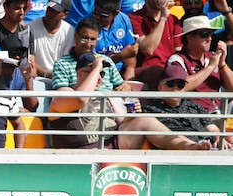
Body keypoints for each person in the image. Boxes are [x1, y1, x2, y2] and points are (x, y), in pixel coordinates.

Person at [50, 52, 212, 150]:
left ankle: (190, 146)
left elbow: (124, 122)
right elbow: (79, 99)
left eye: (102, 74)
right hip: (77, 155)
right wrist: (96, 68)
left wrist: (134, 114)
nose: (99, 77)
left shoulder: (107, 97)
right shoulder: (65, 92)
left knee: (145, 120)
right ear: (79, 73)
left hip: (113, 149)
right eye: (93, 72)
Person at [143, 63, 231, 149]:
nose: (175, 88)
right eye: (170, 83)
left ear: (185, 88)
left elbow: (212, 128)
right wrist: (197, 146)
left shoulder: (194, 106)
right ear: (160, 87)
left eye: (180, 84)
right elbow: (165, 136)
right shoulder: (151, 110)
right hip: (180, 152)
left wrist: (219, 139)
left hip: (210, 148)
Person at [167, 15, 233, 115]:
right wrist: (210, 67)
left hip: (217, 114)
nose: (209, 38)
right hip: (191, 116)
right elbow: (181, 87)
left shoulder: (213, 58)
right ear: (189, 37)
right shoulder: (177, 59)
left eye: (211, 34)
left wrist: (222, 64)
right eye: (204, 34)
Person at [128, 0, 181, 89]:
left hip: (169, 68)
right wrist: (163, 19)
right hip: (146, 69)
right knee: (157, 71)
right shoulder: (134, 18)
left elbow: (179, 50)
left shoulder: (173, 20)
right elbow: (148, 49)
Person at [89, 0, 138, 81]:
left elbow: (130, 56)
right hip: (96, 73)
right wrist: (120, 56)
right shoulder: (87, 24)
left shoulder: (124, 20)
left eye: (103, 15)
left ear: (116, 13)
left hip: (119, 72)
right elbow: (91, 64)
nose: (97, 17)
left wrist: (127, 83)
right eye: (95, 12)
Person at [27, 0, 73, 80]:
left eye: (54, 11)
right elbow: (27, 58)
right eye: (49, 9)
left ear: (65, 15)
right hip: (35, 77)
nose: (49, 13)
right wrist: (45, 73)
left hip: (60, 78)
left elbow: (67, 62)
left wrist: (56, 75)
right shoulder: (30, 28)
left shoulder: (69, 31)